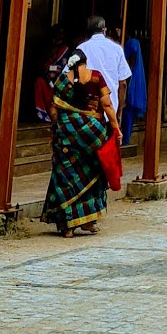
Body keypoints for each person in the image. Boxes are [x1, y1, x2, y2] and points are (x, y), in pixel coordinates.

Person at [41, 53, 116, 236]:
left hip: (67, 134)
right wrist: (115, 126)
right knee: (94, 174)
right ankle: (88, 221)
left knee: (66, 176)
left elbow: (53, 107)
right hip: (92, 134)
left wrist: (58, 126)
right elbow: (106, 104)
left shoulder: (61, 81)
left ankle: (68, 227)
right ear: (85, 62)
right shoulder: (96, 76)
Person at [76, 14, 132, 133]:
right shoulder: (117, 49)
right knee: (108, 149)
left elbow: (67, 77)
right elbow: (123, 84)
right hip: (110, 112)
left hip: (85, 112)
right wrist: (119, 112)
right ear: (104, 30)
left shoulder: (81, 48)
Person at [119, 24, 148, 148]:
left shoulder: (132, 43)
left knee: (127, 111)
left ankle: (125, 139)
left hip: (129, 80)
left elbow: (128, 59)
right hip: (127, 79)